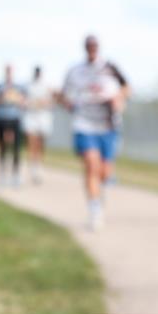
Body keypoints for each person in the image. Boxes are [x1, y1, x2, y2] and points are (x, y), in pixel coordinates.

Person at [60, 35, 130, 231]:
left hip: (108, 125)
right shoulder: (75, 71)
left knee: (104, 172)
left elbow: (127, 88)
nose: (92, 49)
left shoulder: (111, 67)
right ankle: (94, 209)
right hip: (84, 124)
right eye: (88, 46)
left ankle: (98, 194)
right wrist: (69, 104)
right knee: (91, 164)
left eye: (95, 46)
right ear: (84, 48)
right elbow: (64, 95)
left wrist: (118, 98)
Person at [0, 64, 27, 187]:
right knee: (2, 147)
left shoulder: (19, 87)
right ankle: (2, 174)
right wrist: (2, 98)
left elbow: (24, 102)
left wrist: (18, 100)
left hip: (14, 119)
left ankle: (15, 175)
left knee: (16, 148)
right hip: (1, 118)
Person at [23, 66, 54, 184]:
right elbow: (23, 100)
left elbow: (51, 101)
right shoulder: (28, 85)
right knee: (31, 142)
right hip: (31, 117)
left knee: (41, 144)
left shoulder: (46, 85)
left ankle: (39, 165)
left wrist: (43, 103)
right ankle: (33, 168)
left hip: (43, 118)